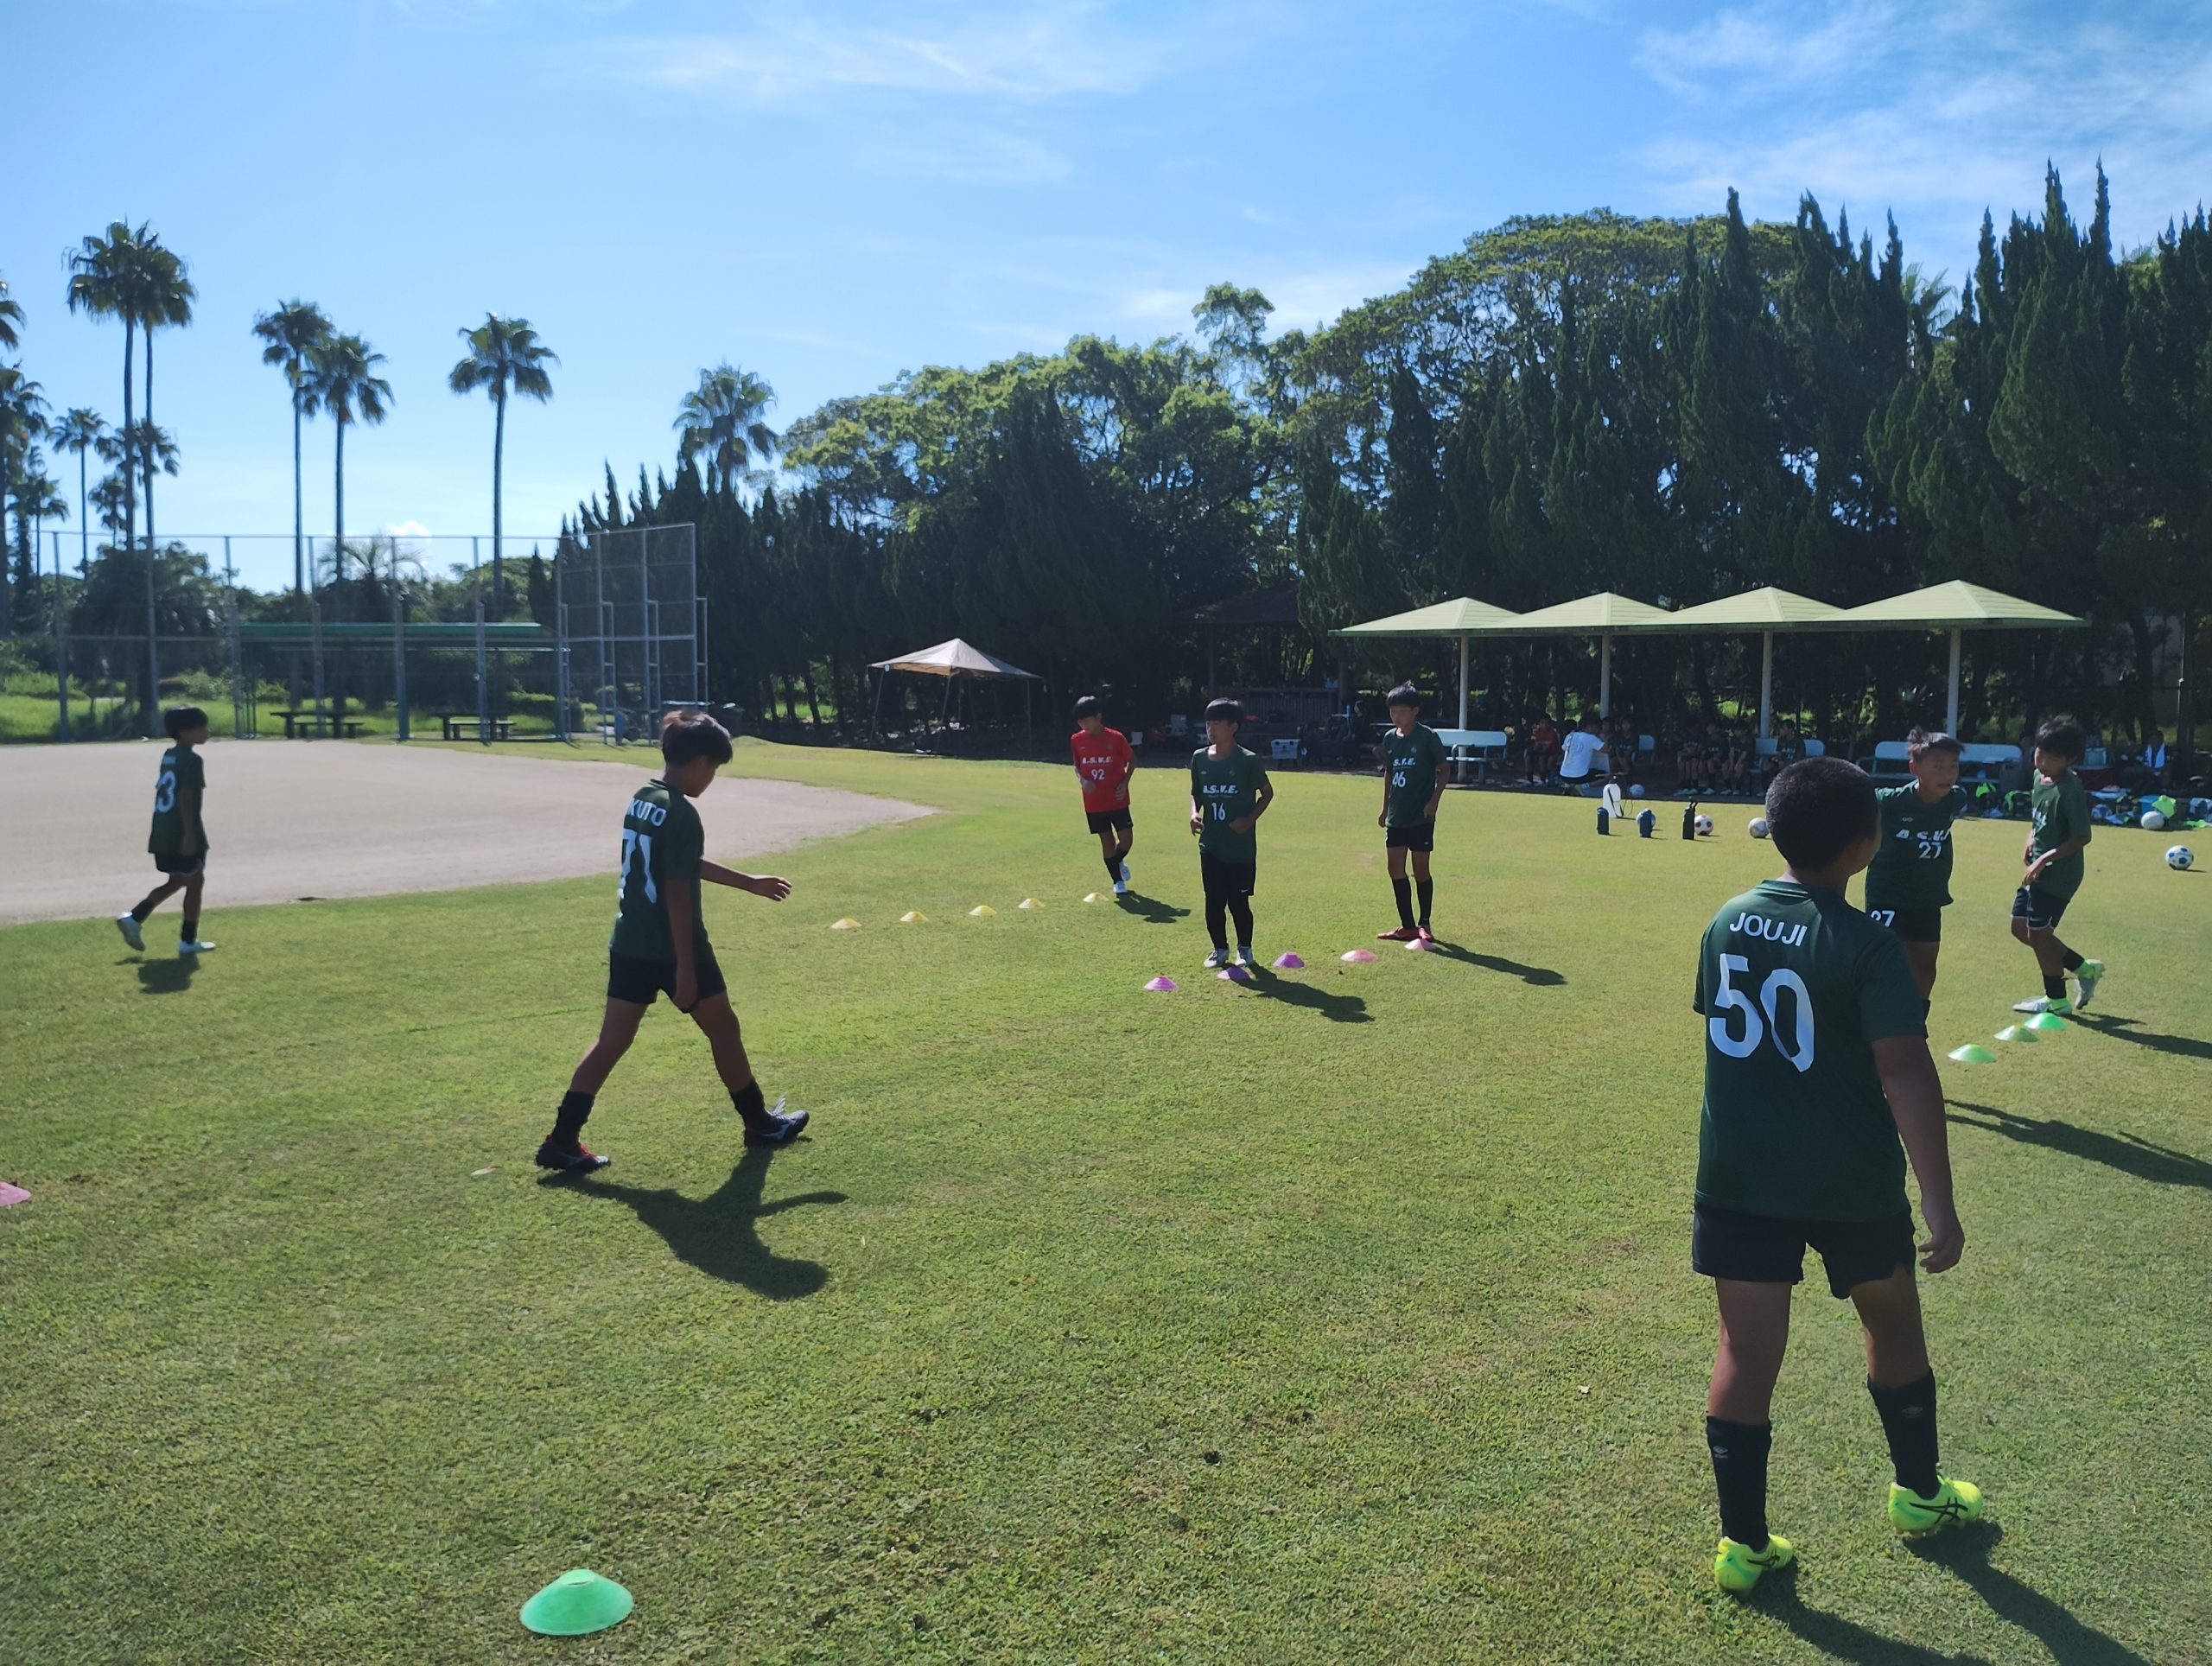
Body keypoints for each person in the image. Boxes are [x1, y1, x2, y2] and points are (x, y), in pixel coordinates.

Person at [1693, 756, 1982, 1594]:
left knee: (1744, 1353)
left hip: (1739, 1177)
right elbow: (1905, 1071)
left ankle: (1742, 1546)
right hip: (1849, 1179)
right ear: (1864, 844)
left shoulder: (1726, 920)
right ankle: (1918, 1496)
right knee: (1892, 1321)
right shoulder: (1867, 945)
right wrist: (1938, 1200)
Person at [537, 709, 808, 1173]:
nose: (712, 778)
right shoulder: (683, 813)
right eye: (714, 768)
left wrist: (749, 883)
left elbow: (677, 862)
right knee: (724, 1030)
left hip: (630, 940)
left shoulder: (644, 797)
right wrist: (684, 967)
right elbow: (678, 890)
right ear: (700, 761)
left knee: (611, 1041)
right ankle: (759, 1123)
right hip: (674, 947)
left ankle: (560, 1140)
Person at [1863, 728, 1970, 1002]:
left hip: (1928, 897)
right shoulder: (1890, 801)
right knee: (1879, 961)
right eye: (1938, 766)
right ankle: (1868, 1016)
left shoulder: (1956, 799)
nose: (1947, 774)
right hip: (1887, 895)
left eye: (1953, 766)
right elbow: (1860, 800)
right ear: (1914, 768)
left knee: (1924, 966)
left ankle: (1917, 1020)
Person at [2010, 715, 2105, 1016]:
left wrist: (2044, 858)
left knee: (2039, 935)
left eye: (2053, 758)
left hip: (2059, 875)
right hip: (2038, 870)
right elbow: (2039, 818)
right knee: (2019, 928)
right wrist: (2031, 838)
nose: (2043, 762)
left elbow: (2082, 837)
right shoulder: (2039, 779)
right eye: (2040, 753)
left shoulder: (2070, 789)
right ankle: (2084, 969)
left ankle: (2057, 1000)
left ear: (2070, 759)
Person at [116, 705, 219, 957]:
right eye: (200, 727)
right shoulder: (192, 760)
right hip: (181, 829)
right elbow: (186, 796)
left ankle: (134, 918)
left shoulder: (169, 755)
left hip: (162, 826)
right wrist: (190, 835)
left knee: (180, 879)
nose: (206, 731)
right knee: (194, 881)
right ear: (184, 732)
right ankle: (187, 941)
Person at [1188, 697, 1273, 970]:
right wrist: (1194, 813)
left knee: (1239, 902)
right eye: (1208, 723)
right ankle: (1219, 949)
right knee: (1213, 901)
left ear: (1233, 727)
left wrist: (1248, 820)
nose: (1211, 729)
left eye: (1217, 723)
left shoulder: (1247, 760)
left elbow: (1267, 793)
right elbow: (1196, 793)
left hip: (1240, 848)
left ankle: (1244, 949)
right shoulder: (1199, 758)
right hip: (1210, 845)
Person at [1375, 684, 1450, 944]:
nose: (1396, 716)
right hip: (1397, 815)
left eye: (1401, 711)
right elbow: (1389, 773)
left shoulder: (1427, 737)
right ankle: (1407, 926)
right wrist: (1385, 807)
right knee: (1394, 868)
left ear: (1415, 711)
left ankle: (1424, 922)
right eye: (1392, 711)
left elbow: (1444, 770)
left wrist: (1434, 801)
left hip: (1421, 816)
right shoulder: (1389, 738)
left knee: (1420, 869)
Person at [1071, 695, 1136, 897]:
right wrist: (1083, 781)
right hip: (1094, 803)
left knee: (1126, 840)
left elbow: (1132, 760)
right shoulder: (1076, 740)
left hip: (1117, 799)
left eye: (1087, 721)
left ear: (1098, 717)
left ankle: (1117, 861)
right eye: (1080, 722)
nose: (1084, 725)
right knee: (1106, 841)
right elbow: (1077, 766)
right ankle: (1117, 881)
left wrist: (1124, 783)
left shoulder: (1116, 738)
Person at [1558, 715, 1608, 794]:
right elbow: (1606, 750)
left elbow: (1564, 749)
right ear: (1591, 727)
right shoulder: (1590, 738)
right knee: (1606, 776)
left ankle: (1568, 785)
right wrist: (1604, 737)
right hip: (1580, 777)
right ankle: (1582, 786)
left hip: (1563, 775)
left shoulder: (1570, 735)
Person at [1525, 714, 1560, 787]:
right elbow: (1537, 744)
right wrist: (1536, 748)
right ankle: (1530, 780)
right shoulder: (1538, 731)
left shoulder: (1552, 733)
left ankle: (1543, 780)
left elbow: (1548, 746)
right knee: (1528, 757)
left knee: (1542, 759)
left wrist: (1541, 747)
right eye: (1542, 723)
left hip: (1551, 752)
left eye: (1545, 723)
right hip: (1540, 751)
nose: (1544, 725)